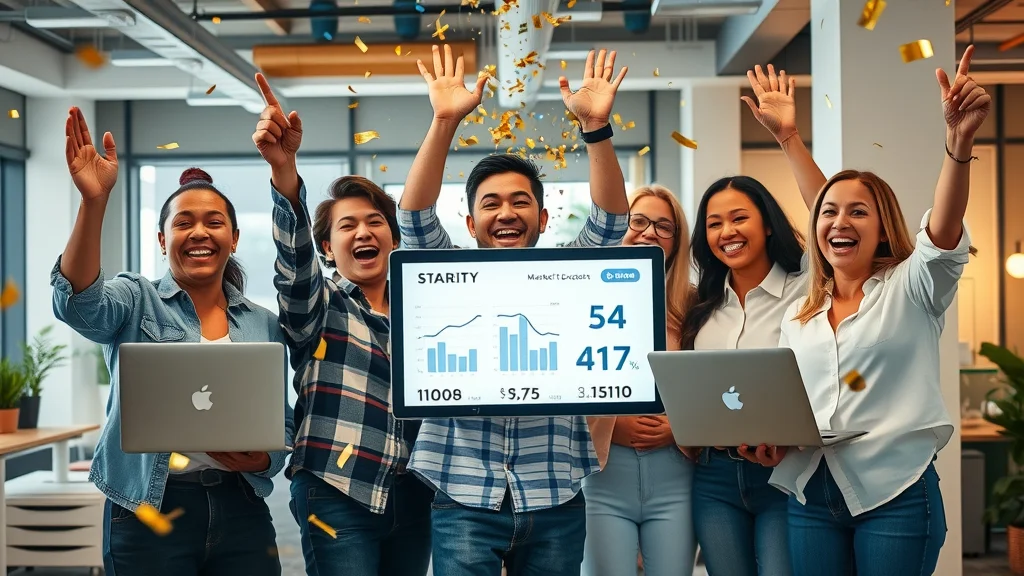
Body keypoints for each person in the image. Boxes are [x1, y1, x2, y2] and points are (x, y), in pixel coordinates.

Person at [397, 44, 629, 576]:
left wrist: (596, 128)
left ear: (544, 219)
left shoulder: (569, 277)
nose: (507, 213)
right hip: (463, 495)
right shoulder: (444, 277)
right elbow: (411, 218)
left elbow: (613, 222)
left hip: (554, 493)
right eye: (491, 204)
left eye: (521, 202)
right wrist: (444, 122)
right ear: (472, 221)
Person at [766, 46, 990, 576]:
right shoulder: (800, 310)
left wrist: (958, 144)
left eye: (858, 212)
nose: (840, 222)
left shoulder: (913, 287)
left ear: (883, 223)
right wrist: (766, 439)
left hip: (896, 491)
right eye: (829, 213)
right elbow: (785, 401)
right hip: (809, 491)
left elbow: (942, 231)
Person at [51, 107, 293, 575]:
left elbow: (280, 423)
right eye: (183, 223)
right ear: (162, 240)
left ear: (234, 238)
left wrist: (263, 456)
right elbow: (77, 303)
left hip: (240, 505)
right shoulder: (135, 299)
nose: (199, 232)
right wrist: (93, 202)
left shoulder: (263, 323)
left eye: (213, 222)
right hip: (147, 507)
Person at [251, 74, 432, 576]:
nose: (363, 232)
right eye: (346, 226)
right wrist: (285, 172)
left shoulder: (426, 308)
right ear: (328, 248)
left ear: (394, 240)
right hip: (336, 486)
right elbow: (294, 262)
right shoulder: (320, 304)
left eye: (376, 222)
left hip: (415, 491)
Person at [679, 62, 823, 576]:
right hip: (714, 477)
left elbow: (830, 217)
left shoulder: (806, 290)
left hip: (788, 471)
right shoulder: (704, 308)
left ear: (766, 222)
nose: (727, 232)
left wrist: (789, 138)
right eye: (714, 223)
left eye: (739, 217)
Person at [582, 185, 697, 576]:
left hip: (675, 475)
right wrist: (613, 425)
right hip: (604, 475)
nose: (649, 232)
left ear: (676, 242)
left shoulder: (693, 306)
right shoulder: (582, 299)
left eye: (664, 226)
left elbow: (712, 389)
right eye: (639, 221)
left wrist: (678, 428)